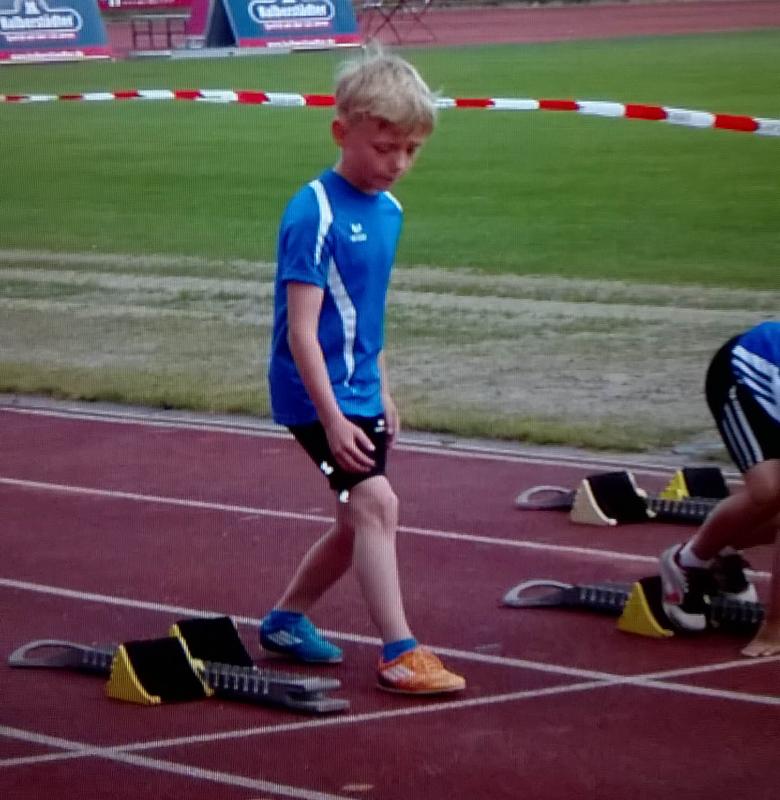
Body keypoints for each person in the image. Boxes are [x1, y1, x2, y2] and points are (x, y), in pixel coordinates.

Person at [260, 50, 465, 695]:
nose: (398, 163)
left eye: (411, 150)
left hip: (362, 390)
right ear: (340, 131)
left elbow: (365, 315)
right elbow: (302, 330)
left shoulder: (390, 212)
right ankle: (399, 651)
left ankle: (286, 620)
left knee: (355, 522)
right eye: (384, 148)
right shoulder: (314, 212)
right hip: (312, 393)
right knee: (377, 503)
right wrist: (331, 416)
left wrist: (383, 387)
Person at [659, 320, 780, 657]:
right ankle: (687, 561)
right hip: (741, 375)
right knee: (770, 491)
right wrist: (775, 627)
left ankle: (722, 550)